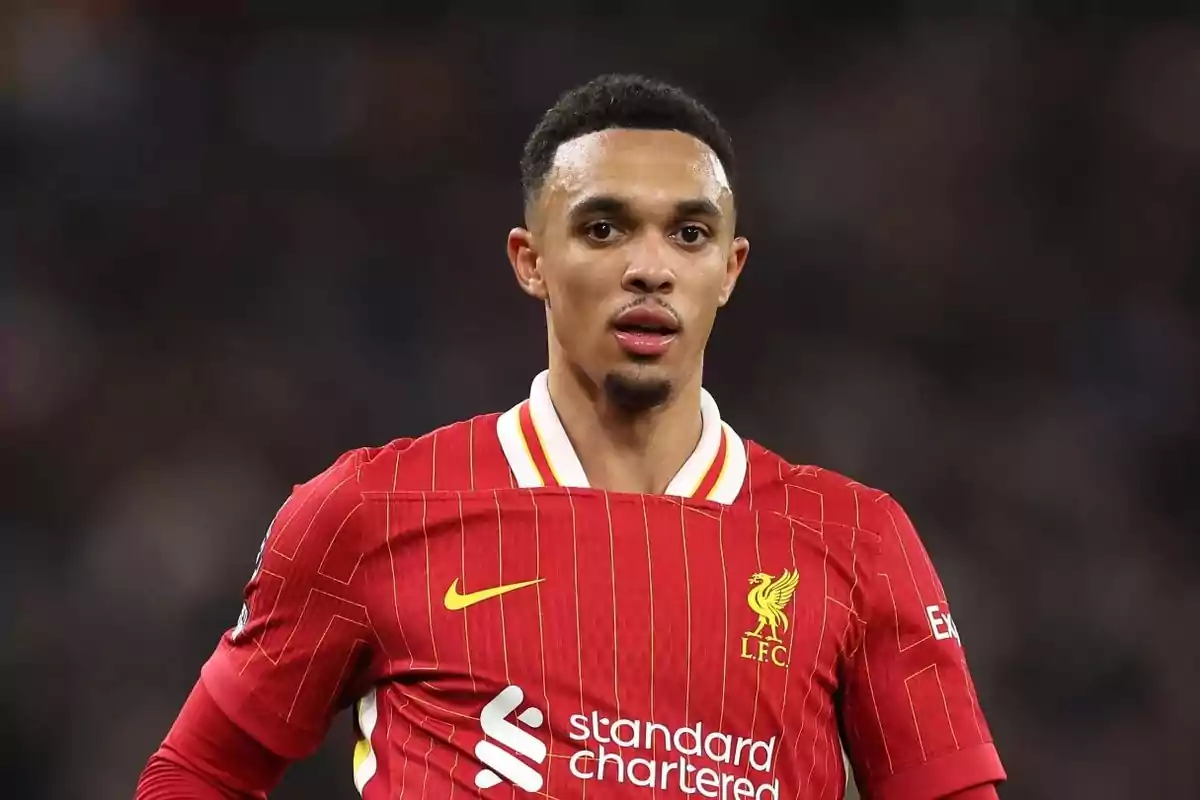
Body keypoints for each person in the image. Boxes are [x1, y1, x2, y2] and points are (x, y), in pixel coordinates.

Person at [135, 73, 1005, 800]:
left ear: (730, 269)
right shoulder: (369, 512)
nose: (650, 266)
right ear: (530, 260)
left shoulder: (855, 538)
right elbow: (198, 773)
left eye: (690, 233)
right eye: (603, 227)